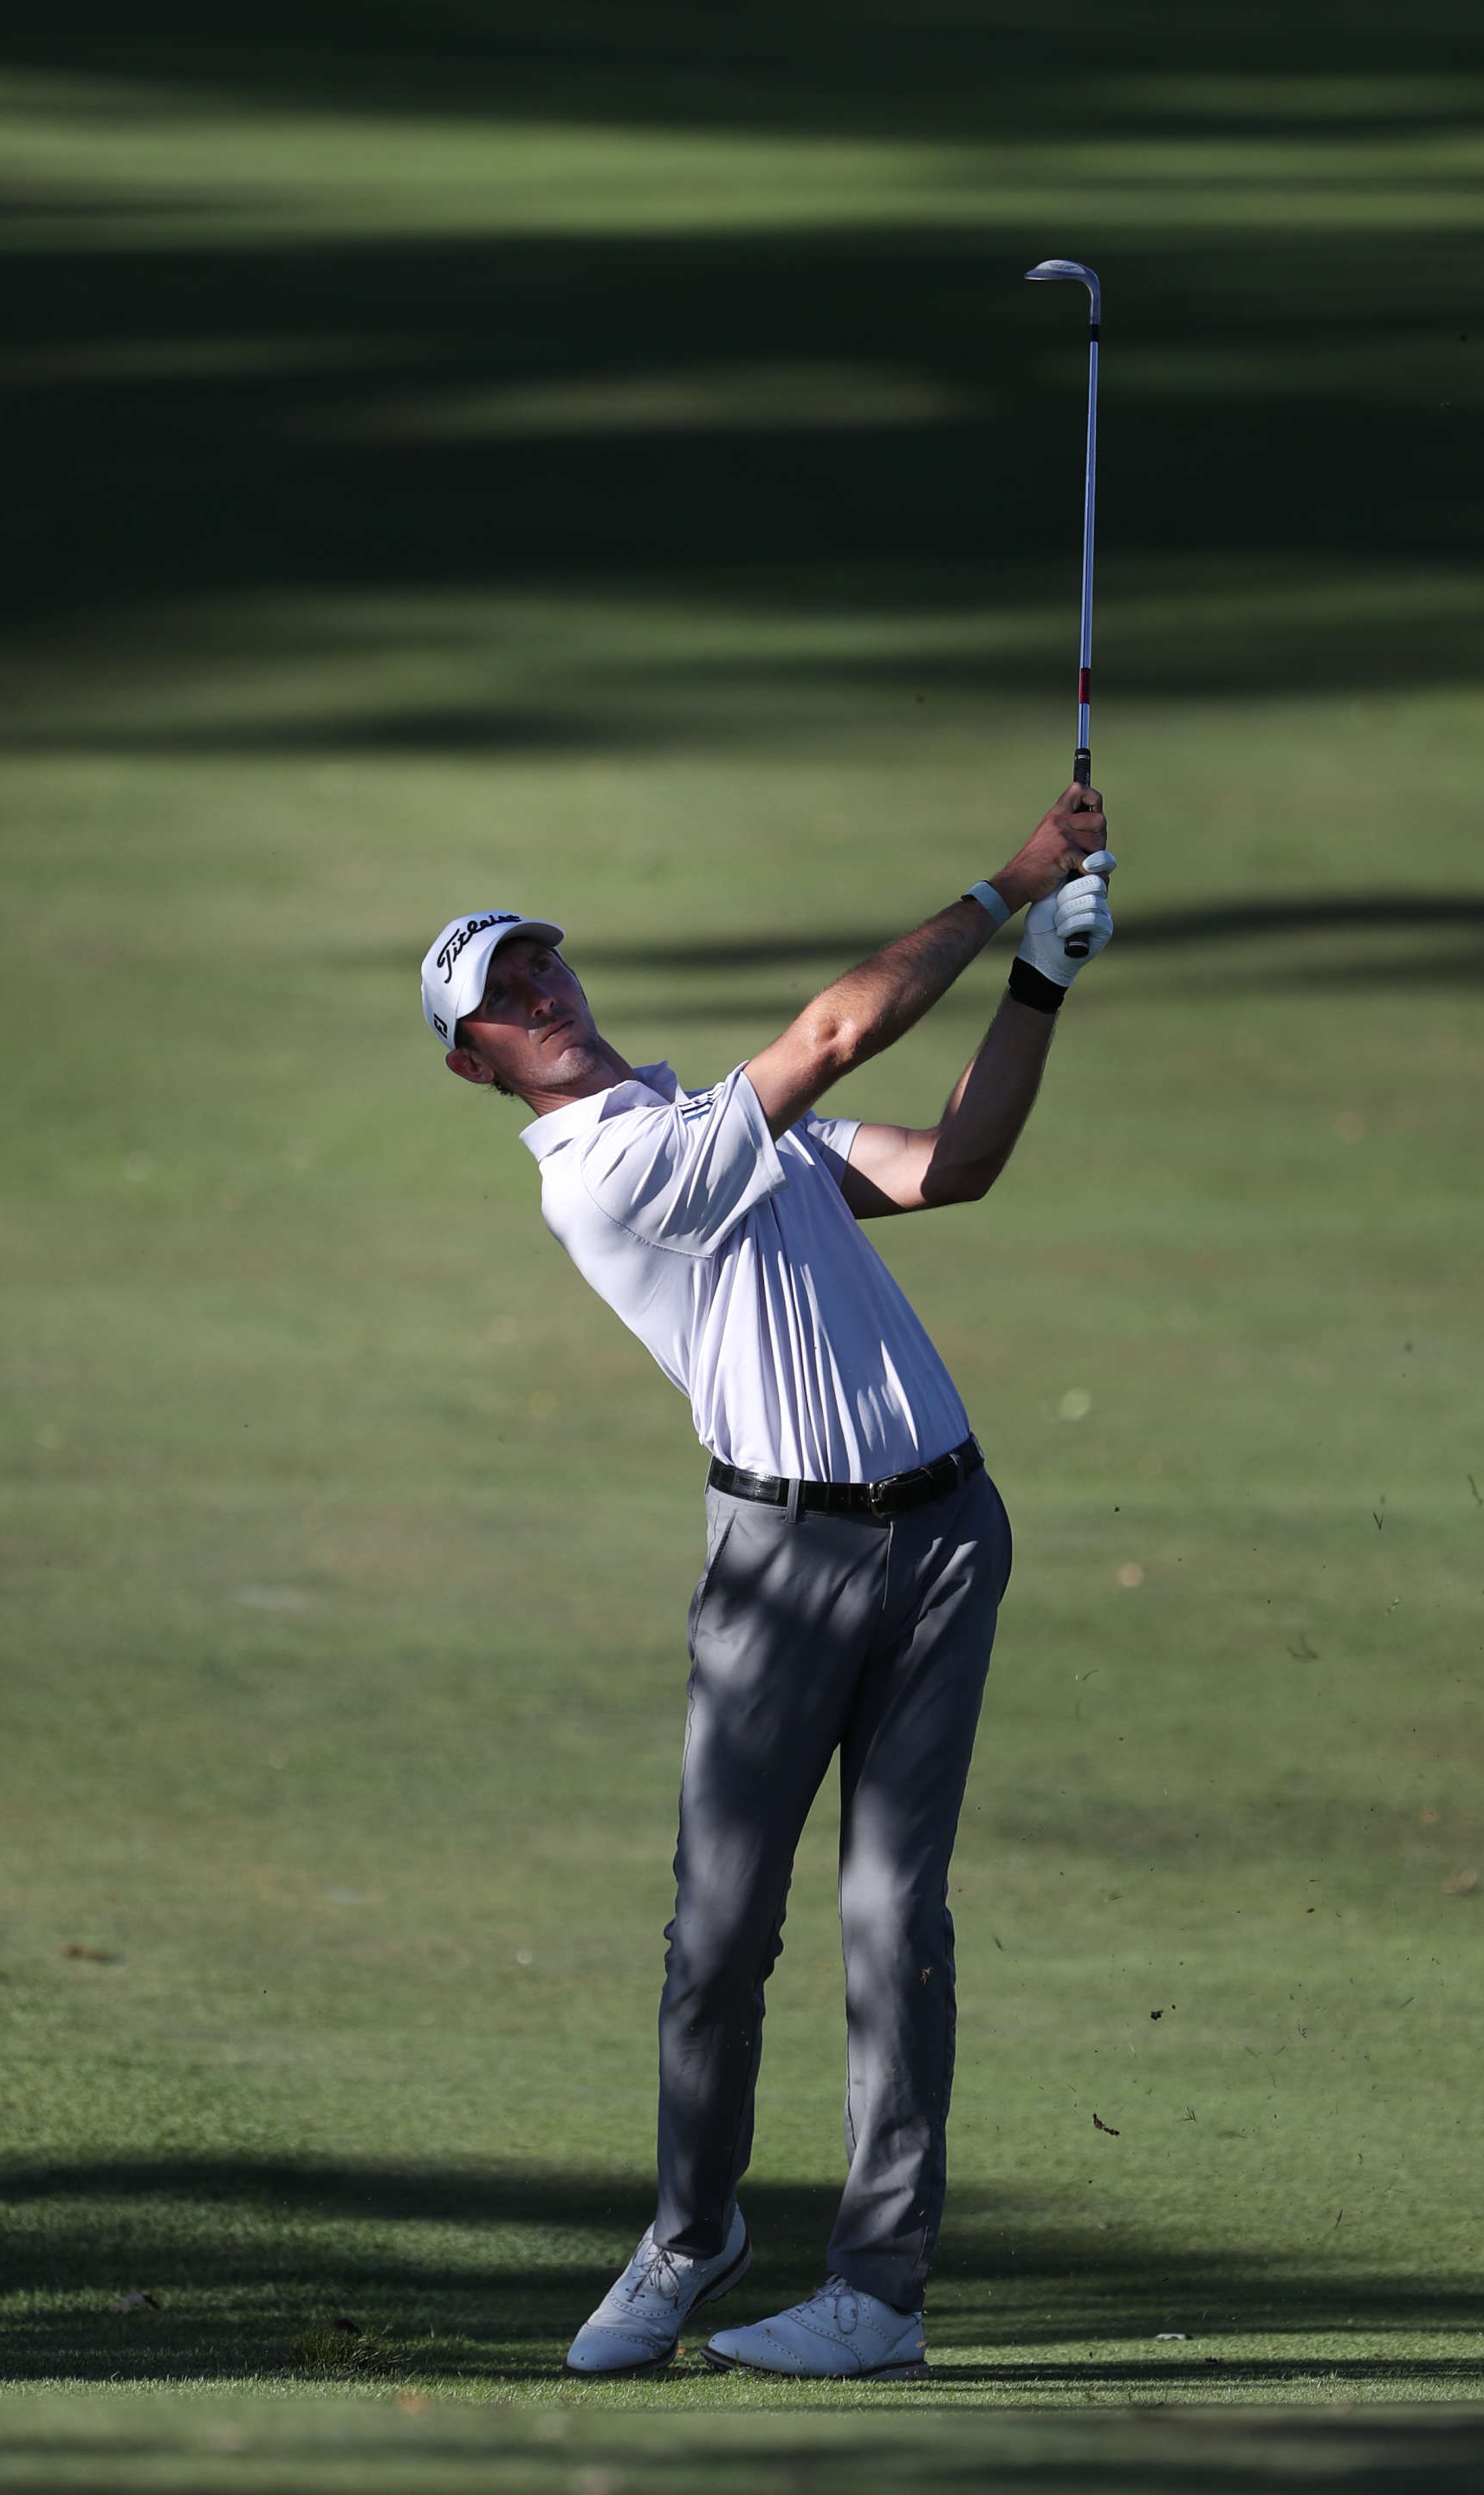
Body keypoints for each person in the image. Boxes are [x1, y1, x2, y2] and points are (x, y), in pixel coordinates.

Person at [418, 785, 1114, 2382]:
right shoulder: (603, 1175)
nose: (540, 996)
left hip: (945, 1535)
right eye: (502, 1002)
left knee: (895, 1918)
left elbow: (956, 1167)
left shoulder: (728, 1130)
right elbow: (834, 1030)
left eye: (540, 967)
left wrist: (1042, 986)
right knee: (722, 1935)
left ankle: (879, 2291)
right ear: (475, 1064)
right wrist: (1013, 882)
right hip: (781, 1563)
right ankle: (691, 2233)